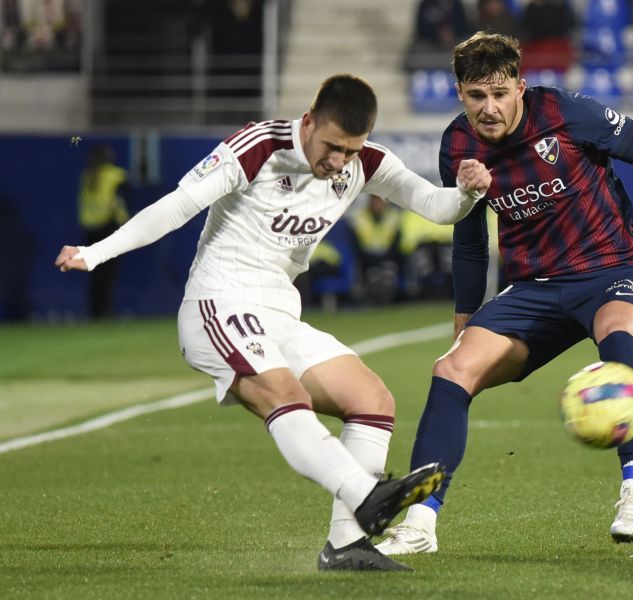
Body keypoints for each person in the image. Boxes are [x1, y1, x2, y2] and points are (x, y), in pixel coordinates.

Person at [55, 74, 492, 572]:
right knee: (287, 396)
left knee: (372, 401)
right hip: (217, 302)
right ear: (308, 122)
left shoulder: (364, 162)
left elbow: (435, 206)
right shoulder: (260, 146)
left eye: (350, 150)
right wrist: (96, 252)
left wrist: (466, 194)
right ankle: (367, 495)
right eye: (330, 147)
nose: (338, 162)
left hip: (280, 312)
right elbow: (177, 207)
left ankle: (346, 546)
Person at [375, 32, 633, 555]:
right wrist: (464, 318)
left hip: (609, 267)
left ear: (520, 87)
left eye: (500, 93)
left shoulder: (565, 114)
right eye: (477, 96)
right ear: (460, 94)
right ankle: (419, 526)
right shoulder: (459, 146)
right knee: (450, 370)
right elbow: (470, 239)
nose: (490, 108)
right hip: (532, 288)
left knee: (618, 337)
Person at [78, 144, 130, 319]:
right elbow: (126, 197)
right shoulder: (116, 174)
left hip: (90, 228)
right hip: (108, 226)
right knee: (109, 273)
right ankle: (105, 311)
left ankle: (95, 311)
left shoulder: (87, 175)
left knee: (94, 271)